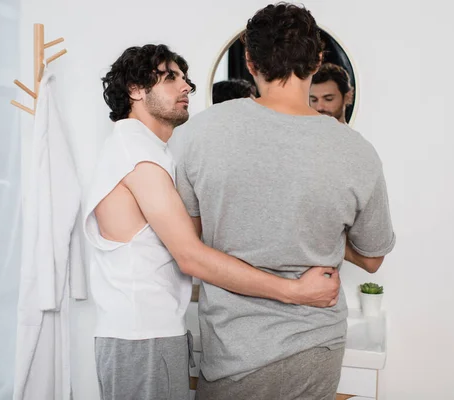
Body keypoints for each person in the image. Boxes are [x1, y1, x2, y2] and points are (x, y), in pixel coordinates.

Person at [82, 44, 341, 400]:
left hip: (146, 335)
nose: (185, 86)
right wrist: (296, 292)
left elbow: (189, 234)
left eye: (185, 78)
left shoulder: (145, 152)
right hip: (143, 337)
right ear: (136, 90)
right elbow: (191, 256)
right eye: (170, 77)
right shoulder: (136, 154)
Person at [173, 3, 395, 399]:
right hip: (316, 347)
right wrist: (323, 230)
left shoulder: (198, 135)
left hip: (233, 352)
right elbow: (373, 258)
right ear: (317, 58)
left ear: (249, 60)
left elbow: (192, 246)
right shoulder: (355, 151)